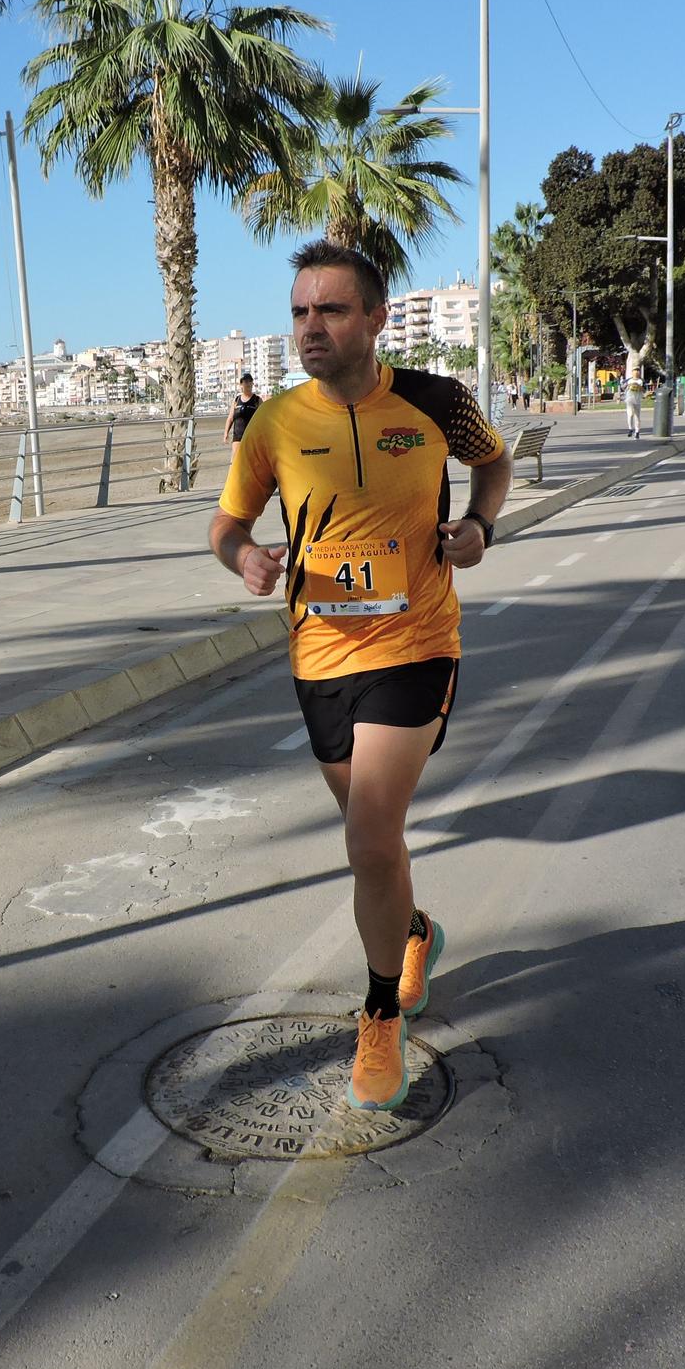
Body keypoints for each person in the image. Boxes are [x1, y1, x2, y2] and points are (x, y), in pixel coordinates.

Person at [211, 239, 512, 1110]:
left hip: (417, 645)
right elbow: (228, 521)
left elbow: (492, 463)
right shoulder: (272, 423)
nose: (311, 326)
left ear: (376, 318)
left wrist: (481, 529)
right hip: (319, 657)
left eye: (332, 310)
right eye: (301, 310)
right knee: (375, 848)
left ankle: (381, 1010)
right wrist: (245, 560)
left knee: (370, 838)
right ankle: (413, 931)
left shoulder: (432, 402)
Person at [227, 373, 262, 464]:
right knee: (235, 461)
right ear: (241, 384)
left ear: (252, 384)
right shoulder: (236, 400)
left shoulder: (257, 400)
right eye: (246, 382)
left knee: (251, 462)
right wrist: (226, 433)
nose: (248, 384)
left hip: (251, 436)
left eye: (250, 381)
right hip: (238, 436)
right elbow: (230, 418)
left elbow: (263, 418)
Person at [623, 357, 645, 437]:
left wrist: (639, 387)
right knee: (630, 414)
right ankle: (630, 429)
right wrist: (628, 386)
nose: (636, 372)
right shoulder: (628, 380)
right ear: (632, 372)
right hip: (630, 400)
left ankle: (637, 431)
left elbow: (643, 390)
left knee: (637, 416)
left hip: (637, 400)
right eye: (635, 371)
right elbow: (623, 387)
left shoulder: (641, 381)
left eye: (637, 371)